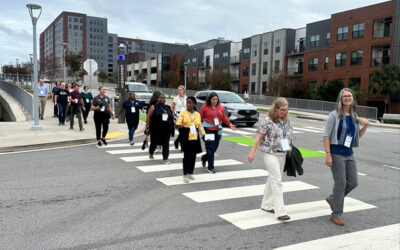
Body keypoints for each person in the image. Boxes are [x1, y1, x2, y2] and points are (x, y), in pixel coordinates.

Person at [323, 88, 369, 226]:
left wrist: (365, 125)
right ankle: (336, 214)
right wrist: (328, 155)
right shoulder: (334, 115)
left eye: (349, 96)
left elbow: (356, 137)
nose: (347, 98)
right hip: (336, 153)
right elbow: (326, 136)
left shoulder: (354, 116)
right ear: (340, 99)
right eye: (345, 96)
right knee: (341, 183)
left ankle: (333, 199)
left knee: (353, 182)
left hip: (349, 154)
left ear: (353, 98)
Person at [248, 97, 293, 221]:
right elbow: (259, 137)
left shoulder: (286, 121)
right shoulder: (267, 121)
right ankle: (280, 211)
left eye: (286, 110)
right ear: (276, 108)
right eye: (282, 109)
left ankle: (266, 205)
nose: (284, 112)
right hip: (270, 154)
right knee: (277, 181)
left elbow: (288, 137)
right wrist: (252, 152)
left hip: (283, 154)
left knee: (272, 178)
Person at [200, 92, 236, 173]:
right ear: (210, 99)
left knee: (214, 148)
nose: (215, 101)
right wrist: (196, 129)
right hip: (207, 129)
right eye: (213, 99)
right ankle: (210, 167)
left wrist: (230, 124)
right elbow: (199, 119)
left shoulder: (220, 107)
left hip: (217, 130)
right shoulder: (204, 107)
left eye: (216, 99)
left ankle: (204, 158)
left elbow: (223, 117)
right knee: (210, 147)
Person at [176, 96, 206, 183]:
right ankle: (185, 174)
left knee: (193, 155)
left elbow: (200, 125)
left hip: (194, 135)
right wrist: (177, 125)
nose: (188, 104)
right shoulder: (183, 112)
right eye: (187, 103)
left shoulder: (197, 114)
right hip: (185, 134)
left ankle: (190, 173)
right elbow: (179, 122)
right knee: (186, 155)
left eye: (190, 103)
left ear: (194, 104)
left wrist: (204, 134)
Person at [145, 94, 174, 164]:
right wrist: (147, 127)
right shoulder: (153, 107)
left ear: (165, 100)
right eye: (160, 98)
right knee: (154, 143)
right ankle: (151, 152)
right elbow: (148, 117)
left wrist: (172, 128)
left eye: (163, 98)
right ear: (157, 99)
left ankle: (165, 158)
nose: (162, 99)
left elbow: (171, 118)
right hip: (156, 129)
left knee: (166, 144)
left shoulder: (168, 107)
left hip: (166, 130)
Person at [171, 85, 187, 149]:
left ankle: (177, 141)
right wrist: (171, 116)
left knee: (184, 131)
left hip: (185, 116)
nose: (179, 91)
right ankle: (182, 146)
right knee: (181, 131)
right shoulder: (176, 98)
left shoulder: (186, 98)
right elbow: (172, 107)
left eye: (180, 90)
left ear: (183, 91)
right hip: (177, 115)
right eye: (178, 90)